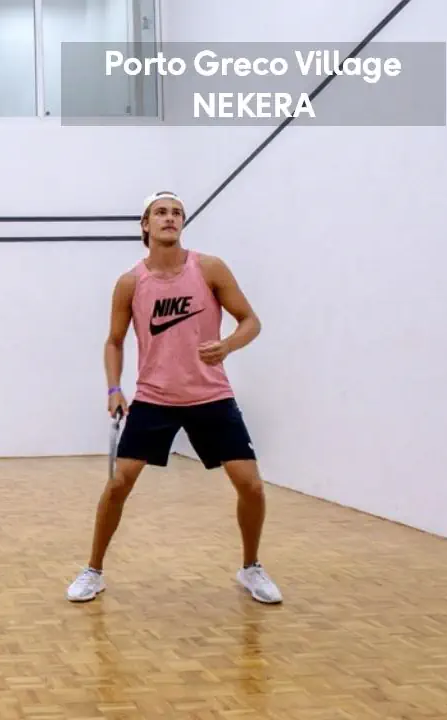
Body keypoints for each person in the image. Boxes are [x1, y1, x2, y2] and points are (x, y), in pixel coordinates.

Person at [66, 191, 282, 605]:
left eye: (177, 212)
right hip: (154, 399)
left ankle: (251, 567)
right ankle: (93, 571)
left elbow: (250, 321)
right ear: (145, 225)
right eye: (161, 212)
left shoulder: (210, 268)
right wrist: (114, 389)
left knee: (251, 486)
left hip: (211, 396)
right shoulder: (130, 283)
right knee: (118, 484)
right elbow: (114, 341)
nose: (170, 218)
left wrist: (228, 345)